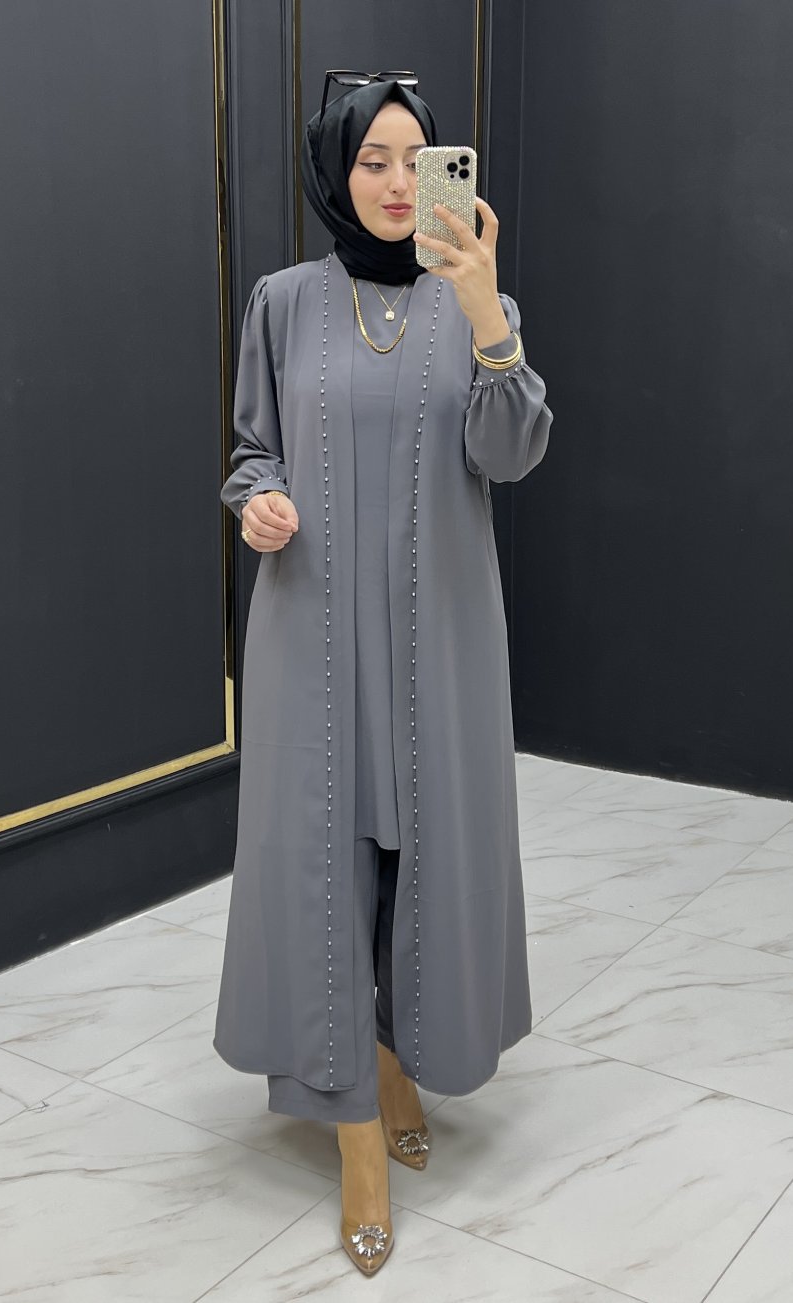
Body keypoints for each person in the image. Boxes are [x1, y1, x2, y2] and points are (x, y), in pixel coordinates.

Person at [212, 71, 552, 1276]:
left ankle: (400, 1060)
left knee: (424, 855)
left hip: (440, 638)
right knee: (321, 866)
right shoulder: (282, 302)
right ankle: (355, 1131)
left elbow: (511, 452)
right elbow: (250, 451)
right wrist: (257, 503)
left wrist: (487, 312)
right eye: (373, 160)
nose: (400, 183)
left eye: (419, 160)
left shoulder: (475, 298)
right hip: (308, 633)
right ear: (334, 170)